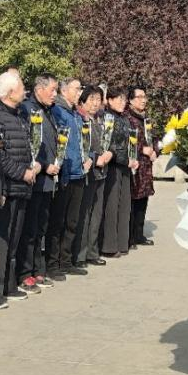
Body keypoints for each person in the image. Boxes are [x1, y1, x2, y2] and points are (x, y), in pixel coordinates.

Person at [0, 70, 39, 307]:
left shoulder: (20, 114)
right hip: (7, 186)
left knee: (15, 237)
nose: (25, 91)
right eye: (21, 87)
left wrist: (33, 165)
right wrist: (20, 172)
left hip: (23, 186)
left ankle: (9, 284)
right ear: (9, 92)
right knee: (2, 240)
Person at [16, 75, 59, 291]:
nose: (55, 94)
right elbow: (30, 143)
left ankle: (37, 269)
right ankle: (25, 273)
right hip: (35, 177)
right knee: (30, 229)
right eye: (52, 90)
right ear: (39, 89)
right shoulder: (28, 109)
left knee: (41, 227)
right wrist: (44, 164)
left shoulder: (49, 111)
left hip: (48, 179)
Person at [45, 78, 88, 279]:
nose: (80, 92)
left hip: (78, 172)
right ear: (64, 90)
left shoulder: (76, 113)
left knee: (72, 221)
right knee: (57, 222)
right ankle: (52, 264)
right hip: (64, 174)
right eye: (76, 88)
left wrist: (88, 157)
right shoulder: (57, 111)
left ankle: (66, 260)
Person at [73, 85, 107, 269]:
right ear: (83, 101)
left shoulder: (100, 120)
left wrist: (108, 153)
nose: (95, 103)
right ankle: (80, 253)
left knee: (96, 213)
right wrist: (94, 158)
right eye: (91, 99)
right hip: (87, 171)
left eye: (98, 99)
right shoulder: (80, 119)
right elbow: (81, 146)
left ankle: (92, 252)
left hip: (101, 172)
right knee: (84, 214)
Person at [99, 86, 135, 257]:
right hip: (113, 166)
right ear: (109, 100)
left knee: (124, 205)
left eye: (124, 99)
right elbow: (110, 144)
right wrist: (125, 159)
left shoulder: (125, 119)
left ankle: (122, 243)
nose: (122, 102)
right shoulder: (107, 118)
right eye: (119, 99)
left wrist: (133, 158)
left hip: (125, 166)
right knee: (111, 207)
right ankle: (109, 246)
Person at [126, 86, 157, 247]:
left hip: (146, 167)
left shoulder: (146, 119)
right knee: (132, 201)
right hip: (133, 166)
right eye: (139, 97)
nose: (143, 100)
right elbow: (126, 141)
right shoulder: (127, 118)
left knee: (143, 201)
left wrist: (155, 151)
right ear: (130, 100)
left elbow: (154, 139)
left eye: (144, 97)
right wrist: (141, 149)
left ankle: (139, 234)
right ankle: (129, 237)